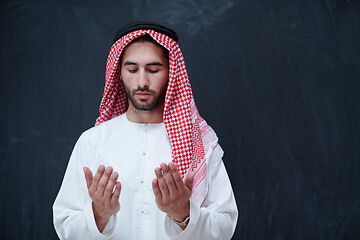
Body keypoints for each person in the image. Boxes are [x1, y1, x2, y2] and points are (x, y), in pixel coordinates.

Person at [53, 22, 238, 240]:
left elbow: (225, 227)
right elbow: (65, 227)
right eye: (132, 70)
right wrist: (98, 215)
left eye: (153, 70)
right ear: (119, 73)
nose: (142, 82)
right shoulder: (93, 141)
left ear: (171, 73)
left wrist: (184, 214)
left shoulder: (199, 143)